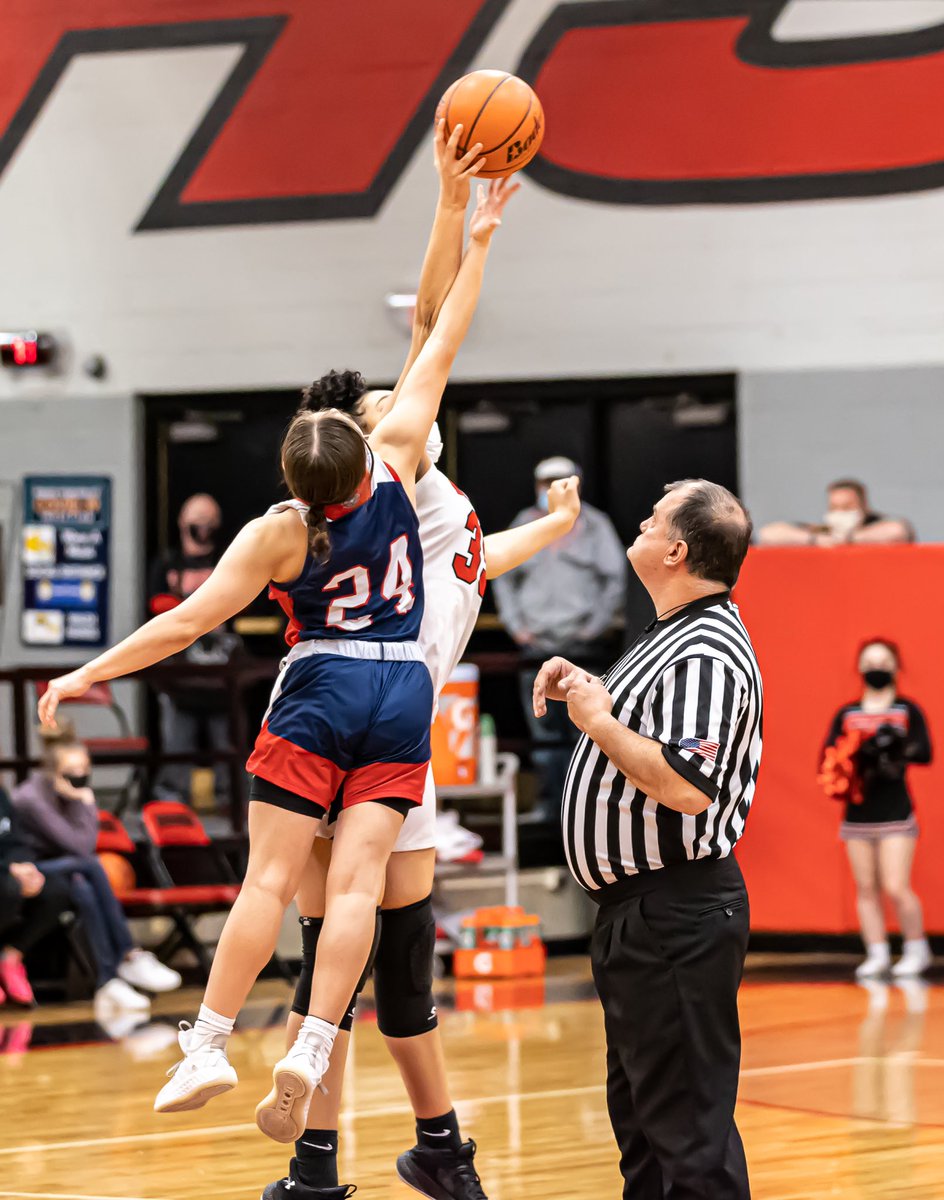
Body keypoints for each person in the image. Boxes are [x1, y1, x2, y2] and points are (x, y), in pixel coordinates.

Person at [38, 170, 512, 1144]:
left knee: (271, 882)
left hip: (322, 681)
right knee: (357, 894)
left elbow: (183, 628)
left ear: (295, 475)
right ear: (365, 447)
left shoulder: (276, 534)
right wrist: (478, 233)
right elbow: (440, 335)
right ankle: (311, 1041)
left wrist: (89, 673)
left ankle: (211, 1040)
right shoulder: (401, 461)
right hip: (403, 691)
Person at [260, 120, 579, 1200]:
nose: (399, 404)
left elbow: (488, 555)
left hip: (371, 730)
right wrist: (455, 214)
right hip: (369, 721)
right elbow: (436, 329)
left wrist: (552, 529)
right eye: (381, 407)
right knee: (359, 972)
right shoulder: (397, 484)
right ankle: (404, 1156)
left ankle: (350, 1163)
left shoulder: (442, 506)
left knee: (360, 972)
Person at [534, 479, 762, 1200]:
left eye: (654, 518)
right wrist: (587, 686)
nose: (638, 521)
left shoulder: (705, 650)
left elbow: (688, 785)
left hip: (676, 913)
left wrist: (599, 721)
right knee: (644, 1127)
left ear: (677, 549)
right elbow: (648, 728)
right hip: (641, 916)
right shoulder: (671, 635)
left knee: (688, 1133)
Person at [11, 724, 181, 1007]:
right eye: (72, 772)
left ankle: (108, 979)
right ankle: (128, 954)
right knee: (89, 865)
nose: (80, 778)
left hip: (67, 872)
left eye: (84, 770)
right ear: (54, 772)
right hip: (30, 871)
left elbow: (82, 846)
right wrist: (87, 804)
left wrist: (78, 802)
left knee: (83, 887)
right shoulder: (31, 798)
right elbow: (81, 846)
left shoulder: (67, 794)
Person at [494, 457, 626, 818]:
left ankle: (590, 811)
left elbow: (615, 579)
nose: (551, 487)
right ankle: (551, 807)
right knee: (542, 732)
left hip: (582, 646)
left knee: (590, 728)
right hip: (534, 645)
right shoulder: (524, 523)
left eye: (560, 480)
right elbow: (500, 574)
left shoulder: (596, 526)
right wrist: (514, 624)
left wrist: (594, 626)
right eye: (545, 481)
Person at [819, 639, 933, 979]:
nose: (876, 669)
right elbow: (827, 758)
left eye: (883, 662)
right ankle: (877, 951)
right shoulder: (848, 713)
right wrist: (855, 757)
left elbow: (925, 751)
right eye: (870, 662)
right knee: (865, 886)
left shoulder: (906, 710)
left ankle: (916, 947)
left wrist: (897, 752)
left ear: (897, 667)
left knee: (896, 885)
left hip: (896, 811)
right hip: (858, 812)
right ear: (859, 668)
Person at [147, 492, 238, 801]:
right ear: (182, 523)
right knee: (176, 750)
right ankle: (172, 815)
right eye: (196, 522)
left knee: (229, 750)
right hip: (178, 680)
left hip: (223, 680)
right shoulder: (167, 563)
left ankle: (235, 810)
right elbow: (154, 608)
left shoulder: (230, 561)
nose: (203, 528)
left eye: (209, 522)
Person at [0, 785, 73, 1007]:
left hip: (10, 871)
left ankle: (10, 957)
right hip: (4, 874)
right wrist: (8, 869)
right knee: (9, 889)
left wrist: (24, 866)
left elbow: (16, 841)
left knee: (56, 890)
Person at [757, 479, 913, 546]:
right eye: (834, 507)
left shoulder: (875, 523)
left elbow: (898, 530)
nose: (840, 513)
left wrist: (850, 538)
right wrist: (814, 540)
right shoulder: (824, 531)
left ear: (864, 506)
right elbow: (767, 534)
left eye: (847, 507)